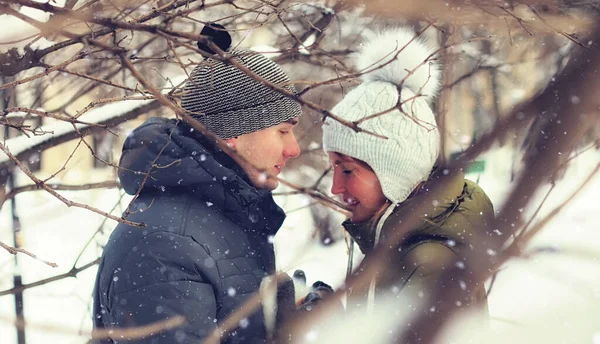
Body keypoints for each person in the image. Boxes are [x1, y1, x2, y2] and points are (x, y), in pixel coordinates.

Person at [92, 24, 302, 343]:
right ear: (233, 132)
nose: (294, 149)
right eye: (283, 131)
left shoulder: (223, 216)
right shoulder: (165, 244)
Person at [321, 28, 495, 335]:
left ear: (397, 173)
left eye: (347, 170)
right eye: (333, 168)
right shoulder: (395, 241)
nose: (335, 187)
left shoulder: (431, 264)